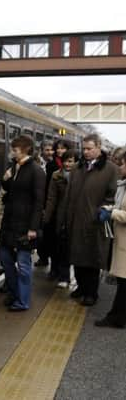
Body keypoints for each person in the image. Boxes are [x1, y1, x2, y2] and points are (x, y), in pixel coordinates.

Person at [66, 134, 118, 306]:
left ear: (98, 147)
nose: (86, 152)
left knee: (92, 260)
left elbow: (113, 196)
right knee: (77, 258)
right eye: (84, 149)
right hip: (76, 220)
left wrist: (103, 209)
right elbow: (69, 195)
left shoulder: (110, 169)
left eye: (89, 148)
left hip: (95, 222)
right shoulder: (77, 168)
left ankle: (91, 293)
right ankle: (81, 287)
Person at [0, 135, 45, 311]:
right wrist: (6, 178)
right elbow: (9, 191)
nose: (12, 152)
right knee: (5, 260)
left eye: (15, 150)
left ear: (25, 150)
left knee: (24, 265)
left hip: (24, 225)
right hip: (9, 223)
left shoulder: (36, 171)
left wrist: (33, 227)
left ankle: (22, 301)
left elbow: (39, 201)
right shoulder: (14, 168)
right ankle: (14, 293)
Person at [95, 154, 126, 328]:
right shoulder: (123, 184)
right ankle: (117, 316)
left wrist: (112, 214)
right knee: (123, 282)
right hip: (121, 239)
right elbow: (121, 206)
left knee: (124, 283)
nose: (119, 167)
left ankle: (116, 317)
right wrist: (109, 208)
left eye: (122, 165)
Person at [43, 150, 78, 288]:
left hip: (75, 216)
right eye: (65, 161)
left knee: (68, 248)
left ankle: (65, 276)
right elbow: (51, 197)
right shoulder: (56, 175)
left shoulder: (81, 176)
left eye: (71, 161)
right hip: (60, 215)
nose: (67, 164)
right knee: (59, 245)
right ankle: (59, 273)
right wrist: (47, 217)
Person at [36, 140, 71, 271]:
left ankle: (63, 273)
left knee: (63, 242)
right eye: (58, 149)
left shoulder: (76, 166)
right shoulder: (52, 166)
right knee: (51, 239)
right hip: (52, 207)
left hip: (66, 209)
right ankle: (53, 267)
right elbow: (48, 190)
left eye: (63, 148)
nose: (59, 151)